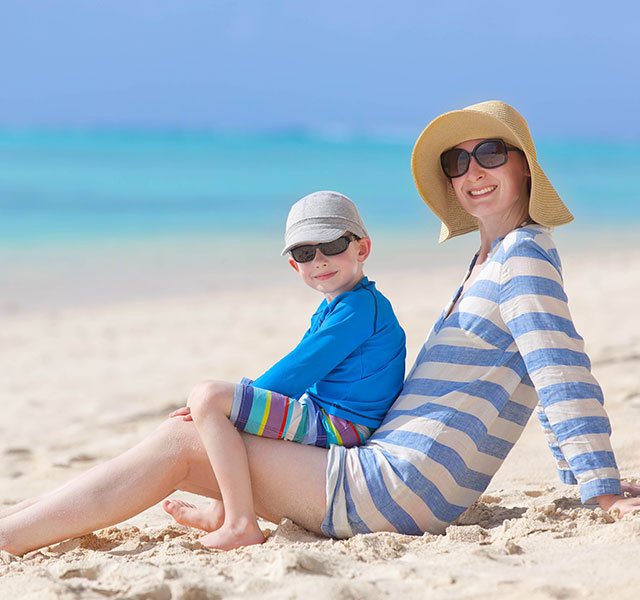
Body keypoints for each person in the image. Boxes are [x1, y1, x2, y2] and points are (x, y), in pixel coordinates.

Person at [1, 101, 638, 557]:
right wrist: (584, 481)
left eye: (491, 152)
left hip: (400, 489)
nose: (472, 170)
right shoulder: (491, 262)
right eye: (457, 160)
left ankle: (11, 536)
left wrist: (603, 491)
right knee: (188, 440)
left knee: (181, 444)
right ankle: (24, 521)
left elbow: (560, 372)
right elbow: (532, 375)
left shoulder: (522, 257)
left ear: (526, 164)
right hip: (389, 473)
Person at [164, 190, 405, 550]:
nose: (320, 259)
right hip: (331, 415)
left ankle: (241, 522)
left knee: (210, 397)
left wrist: (237, 399)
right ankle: (223, 511)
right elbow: (299, 367)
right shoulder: (341, 305)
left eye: (334, 244)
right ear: (296, 266)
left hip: (343, 425)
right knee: (227, 410)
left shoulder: (358, 309)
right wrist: (245, 399)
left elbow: (298, 370)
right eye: (305, 253)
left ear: (362, 249)